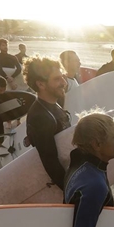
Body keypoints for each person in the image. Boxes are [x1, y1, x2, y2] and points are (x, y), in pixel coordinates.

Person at [24, 57, 71, 189]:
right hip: (60, 185)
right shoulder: (40, 117)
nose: (64, 82)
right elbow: (50, 162)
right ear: (41, 84)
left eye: (62, 77)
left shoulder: (55, 102)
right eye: (57, 79)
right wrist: (71, 190)